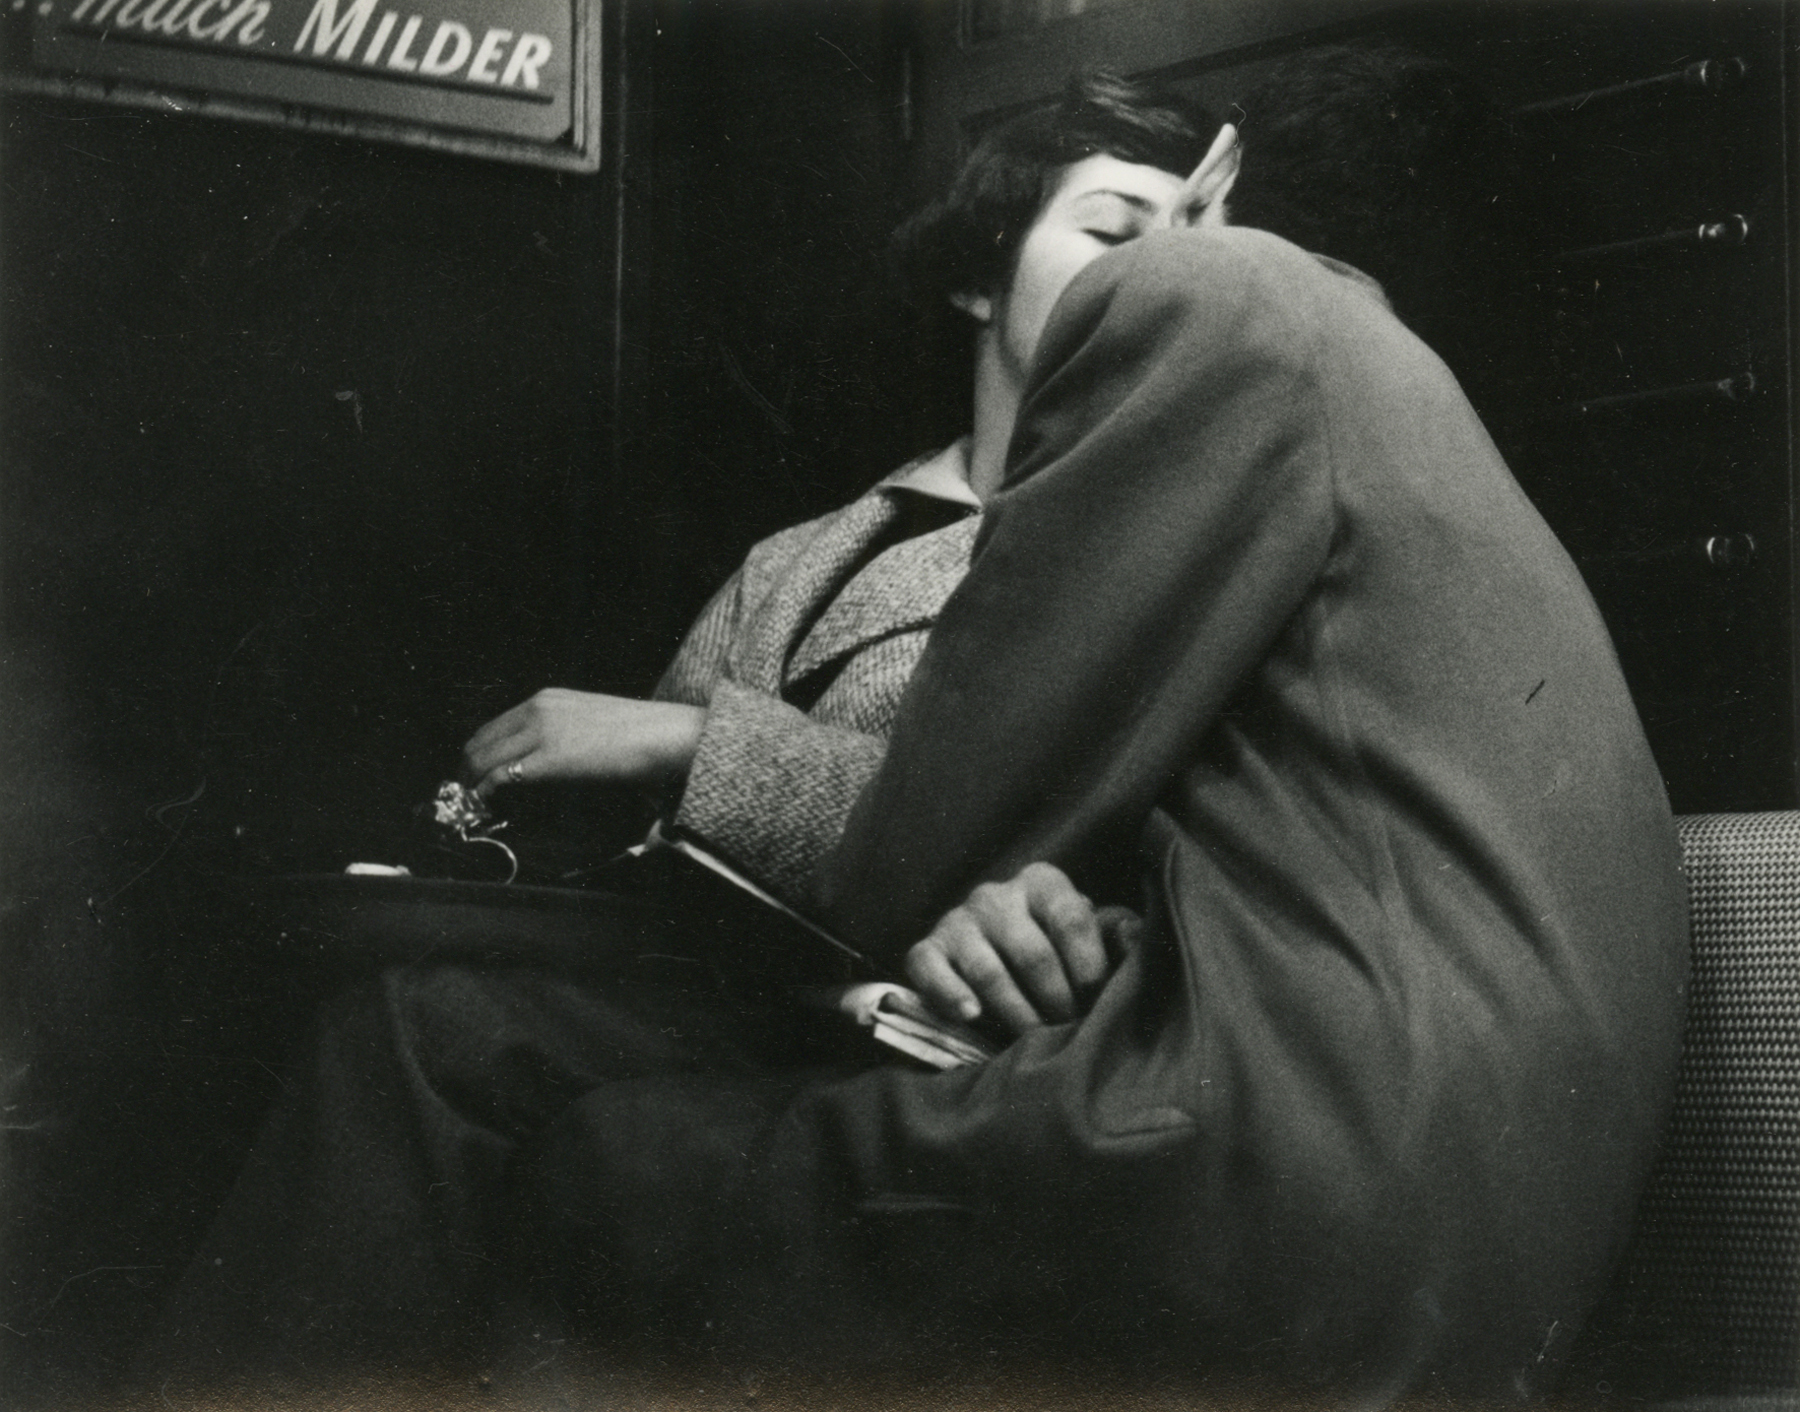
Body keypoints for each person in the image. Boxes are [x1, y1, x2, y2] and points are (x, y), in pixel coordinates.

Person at [521, 45, 1690, 1404]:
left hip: (1304, 1179)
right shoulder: (1392, 380)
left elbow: (934, 841)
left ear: (1224, 178)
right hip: (1483, 1225)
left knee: (602, 1168)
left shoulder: (1212, 291)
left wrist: (714, 761)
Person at [131, 75, 1213, 1396]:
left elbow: (996, 828)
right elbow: (647, 849)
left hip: (940, 1056)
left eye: (1190, 240)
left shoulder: (1162, 554)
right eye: (1113, 232)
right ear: (980, 280)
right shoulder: (805, 557)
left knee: (420, 1041)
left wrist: (675, 745)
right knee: (389, 1013)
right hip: (729, 1010)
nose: (1159, 276)